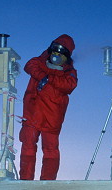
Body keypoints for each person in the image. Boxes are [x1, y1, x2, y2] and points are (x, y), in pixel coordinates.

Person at [19, 34, 78, 180]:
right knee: (28, 144)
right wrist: (42, 76)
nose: (56, 55)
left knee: (50, 149)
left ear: (66, 56)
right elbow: (29, 65)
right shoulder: (39, 62)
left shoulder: (69, 73)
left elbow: (69, 85)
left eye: (60, 53)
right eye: (54, 51)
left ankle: (48, 182)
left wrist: (49, 79)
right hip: (32, 113)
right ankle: (26, 180)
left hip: (52, 117)